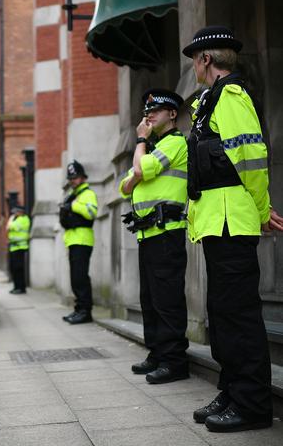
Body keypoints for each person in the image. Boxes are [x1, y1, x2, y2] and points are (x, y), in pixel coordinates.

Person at [183, 25, 283, 432]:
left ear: (206, 59)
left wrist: (262, 210)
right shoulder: (209, 101)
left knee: (238, 314)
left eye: (194, 58)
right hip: (216, 221)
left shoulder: (233, 96)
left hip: (232, 219)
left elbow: (251, 159)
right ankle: (233, 389)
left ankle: (253, 403)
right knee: (222, 313)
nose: (192, 66)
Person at [119, 89, 189, 385]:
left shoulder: (175, 143)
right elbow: (124, 185)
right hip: (148, 233)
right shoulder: (154, 148)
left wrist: (139, 144)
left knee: (167, 299)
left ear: (172, 114)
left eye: (156, 111)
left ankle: (174, 361)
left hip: (167, 233)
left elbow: (138, 169)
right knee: (149, 298)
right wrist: (139, 171)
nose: (149, 115)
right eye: (147, 111)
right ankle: (157, 353)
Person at [60, 160, 98, 324]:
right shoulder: (73, 195)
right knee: (76, 278)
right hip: (73, 240)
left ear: (82, 177)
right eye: (71, 178)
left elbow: (91, 213)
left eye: (75, 177)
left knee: (80, 278)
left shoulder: (87, 194)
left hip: (82, 240)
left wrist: (74, 206)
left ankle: (85, 312)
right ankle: (79, 309)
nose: (72, 180)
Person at [6, 205, 30, 294]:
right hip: (14, 247)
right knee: (13, 269)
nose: (14, 214)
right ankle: (16, 287)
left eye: (16, 212)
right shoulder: (17, 219)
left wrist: (11, 219)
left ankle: (21, 288)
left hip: (20, 247)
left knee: (19, 269)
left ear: (21, 212)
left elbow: (9, 227)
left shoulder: (24, 219)